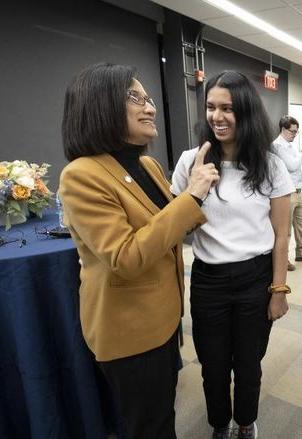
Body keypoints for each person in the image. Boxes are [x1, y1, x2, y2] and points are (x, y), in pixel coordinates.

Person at [59, 63, 217, 439]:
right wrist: (192, 195)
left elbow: (165, 224)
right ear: (100, 104)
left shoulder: (146, 163)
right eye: (135, 98)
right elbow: (126, 258)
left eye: (148, 98)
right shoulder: (81, 174)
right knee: (149, 426)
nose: (150, 107)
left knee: (160, 413)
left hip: (162, 318)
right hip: (129, 332)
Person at [170, 70, 292, 439]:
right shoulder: (192, 161)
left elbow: (282, 234)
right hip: (208, 278)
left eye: (227, 108)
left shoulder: (269, 164)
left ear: (247, 112)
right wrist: (196, 190)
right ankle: (219, 424)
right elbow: (176, 229)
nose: (217, 116)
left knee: (249, 363)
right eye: (210, 107)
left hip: (256, 278)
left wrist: (279, 290)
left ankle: (245, 422)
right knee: (213, 364)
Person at [271, 115, 302, 271]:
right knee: (285, 230)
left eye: (296, 132)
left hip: (298, 191)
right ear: (283, 129)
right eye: (293, 132)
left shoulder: (290, 146)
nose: (295, 134)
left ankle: (301, 252)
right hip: (285, 194)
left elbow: (295, 171)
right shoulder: (277, 146)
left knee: (301, 224)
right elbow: (291, 165)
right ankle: (283, 260)